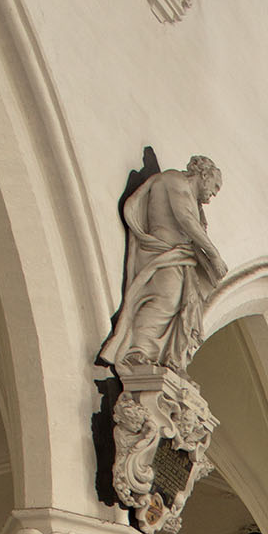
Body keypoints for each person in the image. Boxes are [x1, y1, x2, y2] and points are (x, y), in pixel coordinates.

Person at [98, 155, 227, 375]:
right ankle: (138, 352)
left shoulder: (195, 202)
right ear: (203, 174)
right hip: (162, 253)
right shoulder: (174, 180)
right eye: (215, 186)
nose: (214, 193)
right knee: (166, 298)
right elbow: (185, 219)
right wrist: (214, 255)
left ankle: (167, 359)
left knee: (182, 306)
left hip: (180, 257)